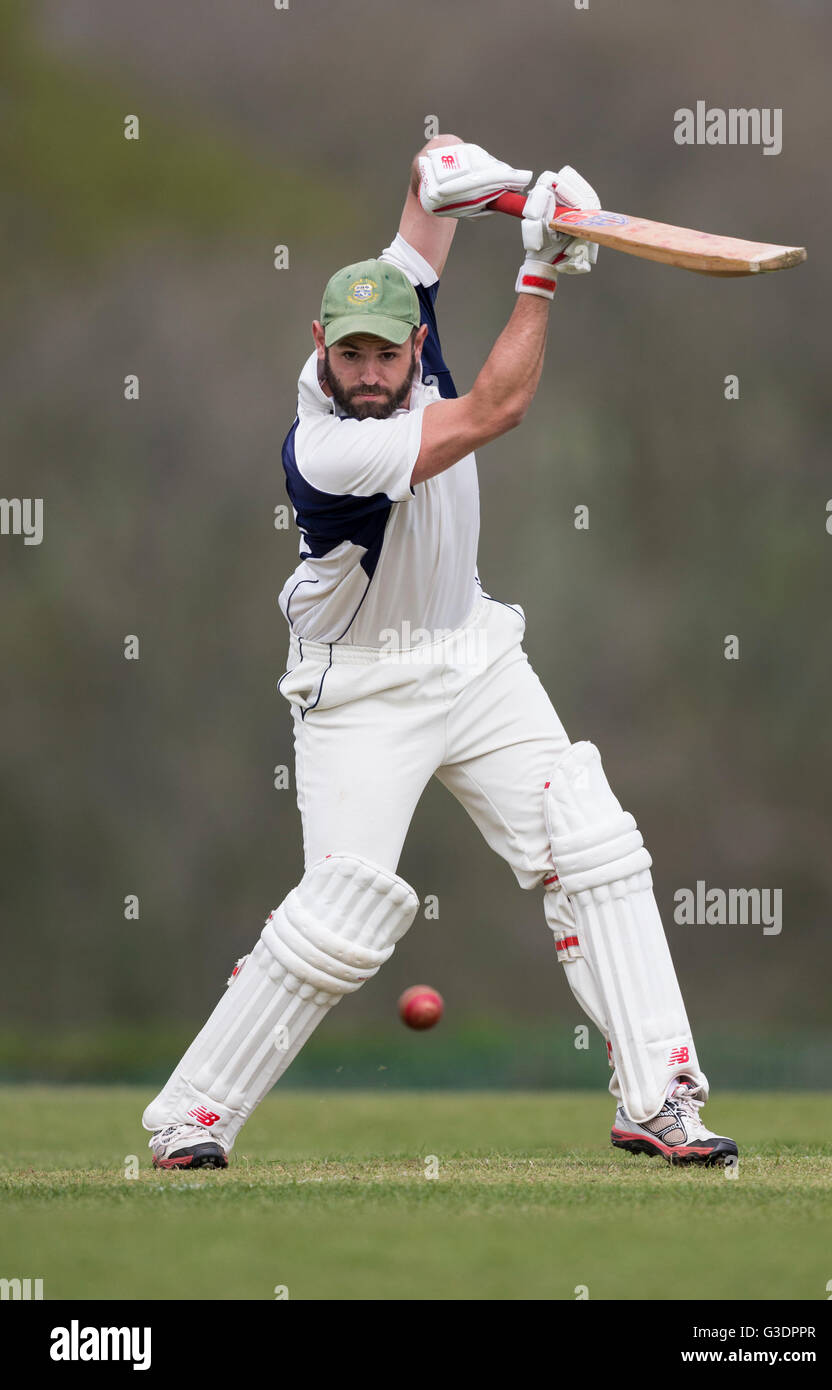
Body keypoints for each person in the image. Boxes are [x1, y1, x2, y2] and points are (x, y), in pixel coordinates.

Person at [142, 136, 737, 1171]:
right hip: (359, 692)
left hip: (475, 658)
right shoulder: (331, 449)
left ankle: (659, 1098)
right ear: (318, 347)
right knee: (348, 914)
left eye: (386, 353)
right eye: (350, 355)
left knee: (592, 843)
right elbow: (496, 409)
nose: (369, 374)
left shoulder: (401, 313)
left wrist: (524, 193)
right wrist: (540, 262)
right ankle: (191, 1116)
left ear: (414, 341)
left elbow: (429, 171)